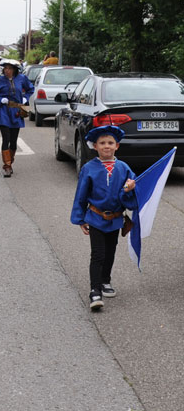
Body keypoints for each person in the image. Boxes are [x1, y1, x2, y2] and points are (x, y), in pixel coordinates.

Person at [70, 125, 136, 311]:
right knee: (97, 254)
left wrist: (131, 188)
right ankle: (95, 290)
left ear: (117, 146)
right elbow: (81, 195)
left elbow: (130, 196)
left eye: (110, 143)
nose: (106, 146)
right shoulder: (89, 169)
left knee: (110, 252)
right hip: (95, 218)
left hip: (115, 219)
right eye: (102, 143)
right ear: (95, 146)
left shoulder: (124, 168)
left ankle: (106, 281)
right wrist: (80, 218)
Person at [0, 59, 34, 177]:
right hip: (4, 111)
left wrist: (25, 98)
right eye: (5, 68)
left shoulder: (22, 78)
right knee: (5, 138)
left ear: (14, 70)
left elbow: (30, 89)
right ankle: (6, 166)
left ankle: (10, 161)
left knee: (13, 141)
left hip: (16, 112)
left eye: (9, 68)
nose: (7, 70)